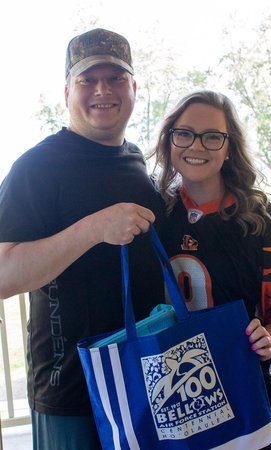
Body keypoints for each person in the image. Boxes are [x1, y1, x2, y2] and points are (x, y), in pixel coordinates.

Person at [0, 28, 165, 449]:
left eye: (114, 78)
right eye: (87, 80)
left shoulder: (135, 162)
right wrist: (94, 229)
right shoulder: (36, 167)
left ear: (133, 88)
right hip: (73, 391)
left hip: (149, 377)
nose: (102, 90)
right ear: (67, 90)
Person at [151, 89, 271, 446]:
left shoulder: (261, 218)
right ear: (170, 140)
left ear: (229, 146)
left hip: (243, 386)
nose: (196, 146)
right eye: (184, 133)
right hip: (173, 393)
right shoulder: (154, 213)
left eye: (212, 136)